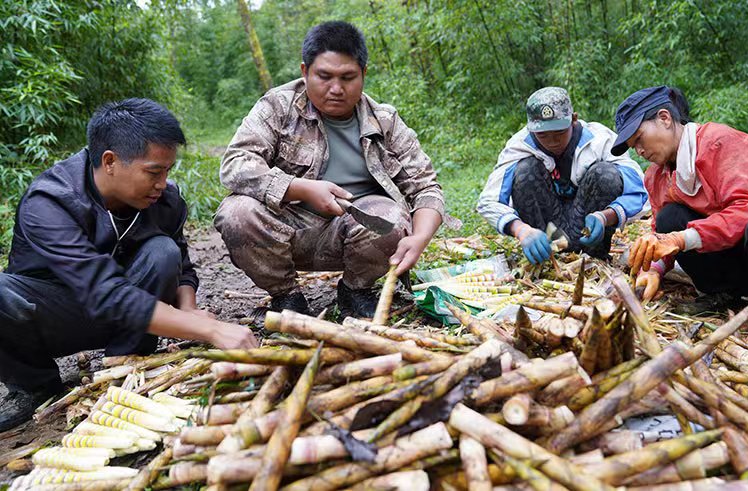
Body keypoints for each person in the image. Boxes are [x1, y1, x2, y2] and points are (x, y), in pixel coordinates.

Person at [0, 98, 258, 431]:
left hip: (133, 316)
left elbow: (180, 261)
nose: (162, 183)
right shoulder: (50, 202)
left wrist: (188, 309)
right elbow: (105, 291)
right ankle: (34, 383)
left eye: (167, 171)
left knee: (163, 251)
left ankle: (125, 361)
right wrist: (211, 329)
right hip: (55, 318)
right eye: (153, 171)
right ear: (110, 161)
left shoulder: (164, 200)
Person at [214, 21, 445, 318]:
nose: (336, 89)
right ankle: (286, 296)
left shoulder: (384, 121)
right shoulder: (277, 107)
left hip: (358, 234)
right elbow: (235, 164)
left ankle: (355, 290)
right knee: (236, 213)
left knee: (390, 216)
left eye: (348, 77)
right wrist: (301, 188)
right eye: (324, 76)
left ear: (363, 74)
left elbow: (426, 187)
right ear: (304, 71)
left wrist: (420, 238)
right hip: (288, 229)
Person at [613, 86, 748, 314]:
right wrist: (653, 270)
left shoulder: (719, 143)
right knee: (670, 217)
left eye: (640, 139)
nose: (639, 151)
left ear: (665, 118)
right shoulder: (656, 176)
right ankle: (723, 294)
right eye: (634, 147)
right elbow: (662, 235)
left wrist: (680, 238)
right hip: (742, 263)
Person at [477, 87, 648, 264]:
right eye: (543, 135)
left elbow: (639, 190)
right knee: (525, 170)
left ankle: (593, 257)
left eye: (559, 133)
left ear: (573, 119)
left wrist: (606, 216)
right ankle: (545, 255)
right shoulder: (518, 146)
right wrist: (521, 230)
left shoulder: (600, 139)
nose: (552, 142)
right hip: (547, 231)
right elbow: (488, 202)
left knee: (605, 173)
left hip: (587, 226)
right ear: (530, 129)